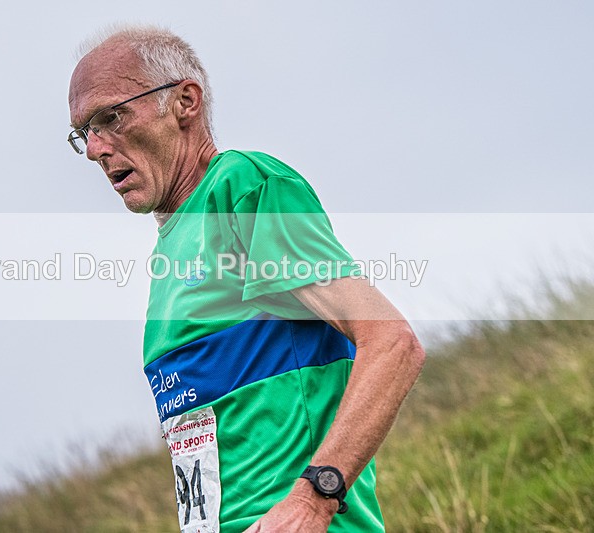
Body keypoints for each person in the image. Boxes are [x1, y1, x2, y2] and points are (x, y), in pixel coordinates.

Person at [67, 25, 425, 533]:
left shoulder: (242, 186)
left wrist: (313, 500)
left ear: (185, 101)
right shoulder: (170, 249)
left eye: (111, 117)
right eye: (84, 132)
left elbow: (392, 342)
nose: (94, 148)